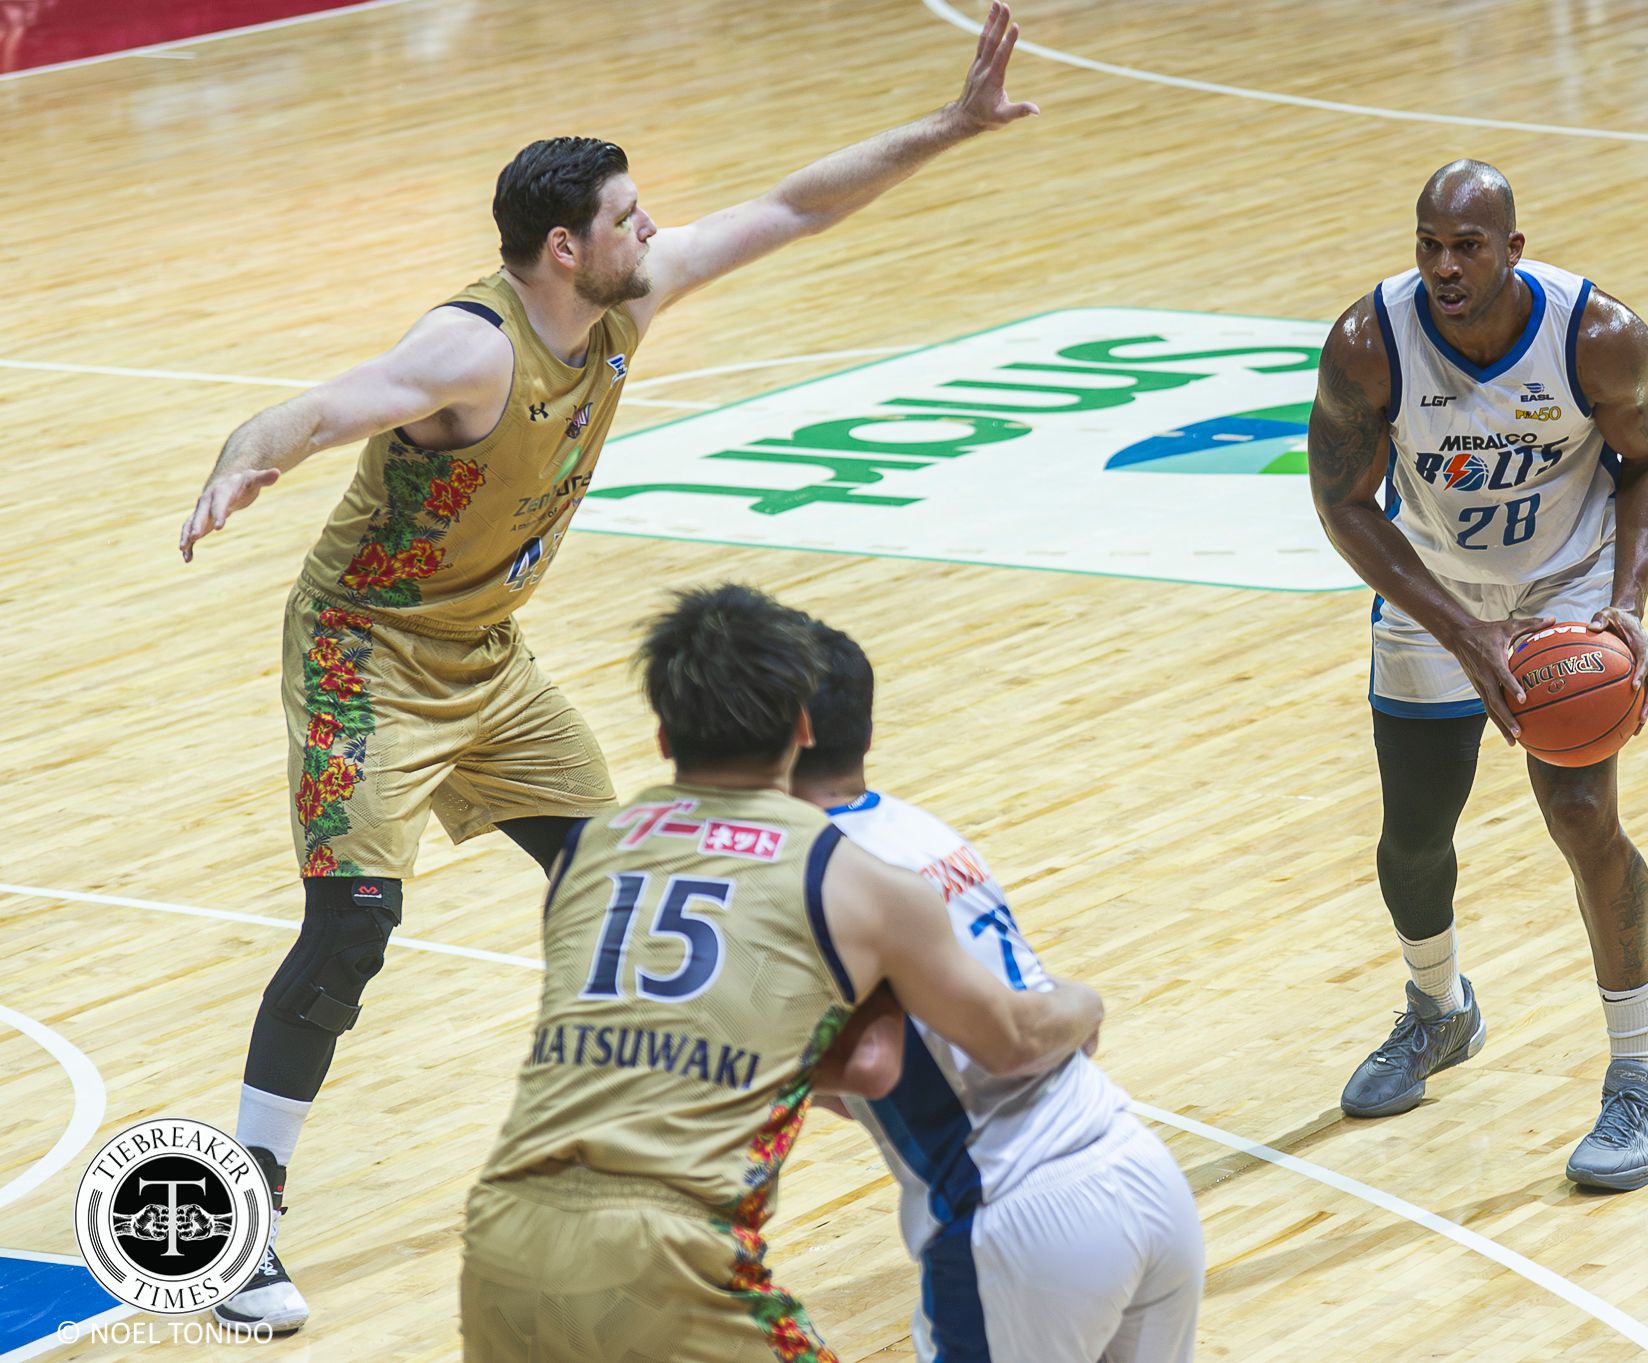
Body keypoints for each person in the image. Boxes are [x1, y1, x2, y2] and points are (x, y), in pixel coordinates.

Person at [174, 3, 1044, 1331]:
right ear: (566, 249)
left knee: (620, 881)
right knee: (353, 926)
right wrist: (249, 453)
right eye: (631, 217)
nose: (656, 229)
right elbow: (331, 403)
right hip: (368, 654)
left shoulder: (624, 302)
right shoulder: (476, 347)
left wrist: (951, 123)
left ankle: (655, 1139)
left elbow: (793, 207)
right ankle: (239, 1227)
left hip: (486, 653)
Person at [460, 583, 1104, 1363]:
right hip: (670, 1249)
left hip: (501, 1234)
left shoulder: (583, 851)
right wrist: (1083, 1002)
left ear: (662, 735)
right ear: (803, 727)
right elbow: (891, 1063)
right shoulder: (843, 869)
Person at [1306, 160, 1648, 1190]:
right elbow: (1341, 503)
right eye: (1428, 245)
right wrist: (1462, 630)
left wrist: (1628, 601)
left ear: (1511, 249)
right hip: (1435, 592)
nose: (1444, 266)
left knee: (1582, 815)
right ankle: (1438, 1009)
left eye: (1466, 247)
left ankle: (1638, 1081)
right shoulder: (1369, 343)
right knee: (1413, 837)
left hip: (1566, 588)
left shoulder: (1596, 337)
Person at [788, 623, 1203, 1363]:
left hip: (1016, 1220)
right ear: (867, 731)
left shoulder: (810, 875)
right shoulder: (919, 830)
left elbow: (1002, 1045)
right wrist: (1082, 1004)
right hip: (1138, 1168)